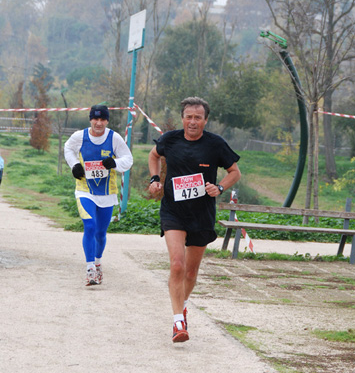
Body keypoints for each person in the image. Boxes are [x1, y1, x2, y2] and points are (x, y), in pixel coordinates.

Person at [148, 96, 241, 343]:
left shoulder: (215, 144)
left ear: (205, 120)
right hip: (173, 211)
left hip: (201, 214)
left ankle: (184, 304)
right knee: (177, 264)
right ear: (182, 118)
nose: (192, 122)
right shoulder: (170, 139)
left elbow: (235, 172)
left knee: (190, 272)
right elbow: (153, 156)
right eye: (188, 117)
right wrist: (155, 180)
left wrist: (219, 188)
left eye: (197, 117)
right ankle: (178, 321)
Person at [64, 105, 133, 286]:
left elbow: (128, 159)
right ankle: (90, 269)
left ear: (107, 121)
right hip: (84, 190)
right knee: (90, 225)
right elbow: (68, 149)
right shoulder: (79, 137)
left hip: (107, 193)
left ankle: (97, 262)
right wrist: (74, 165)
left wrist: (115, 163)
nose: (99, 123)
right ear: (90, 120)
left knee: (101, 233)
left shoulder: (114, 138)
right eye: (95, 119)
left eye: (102, 119)